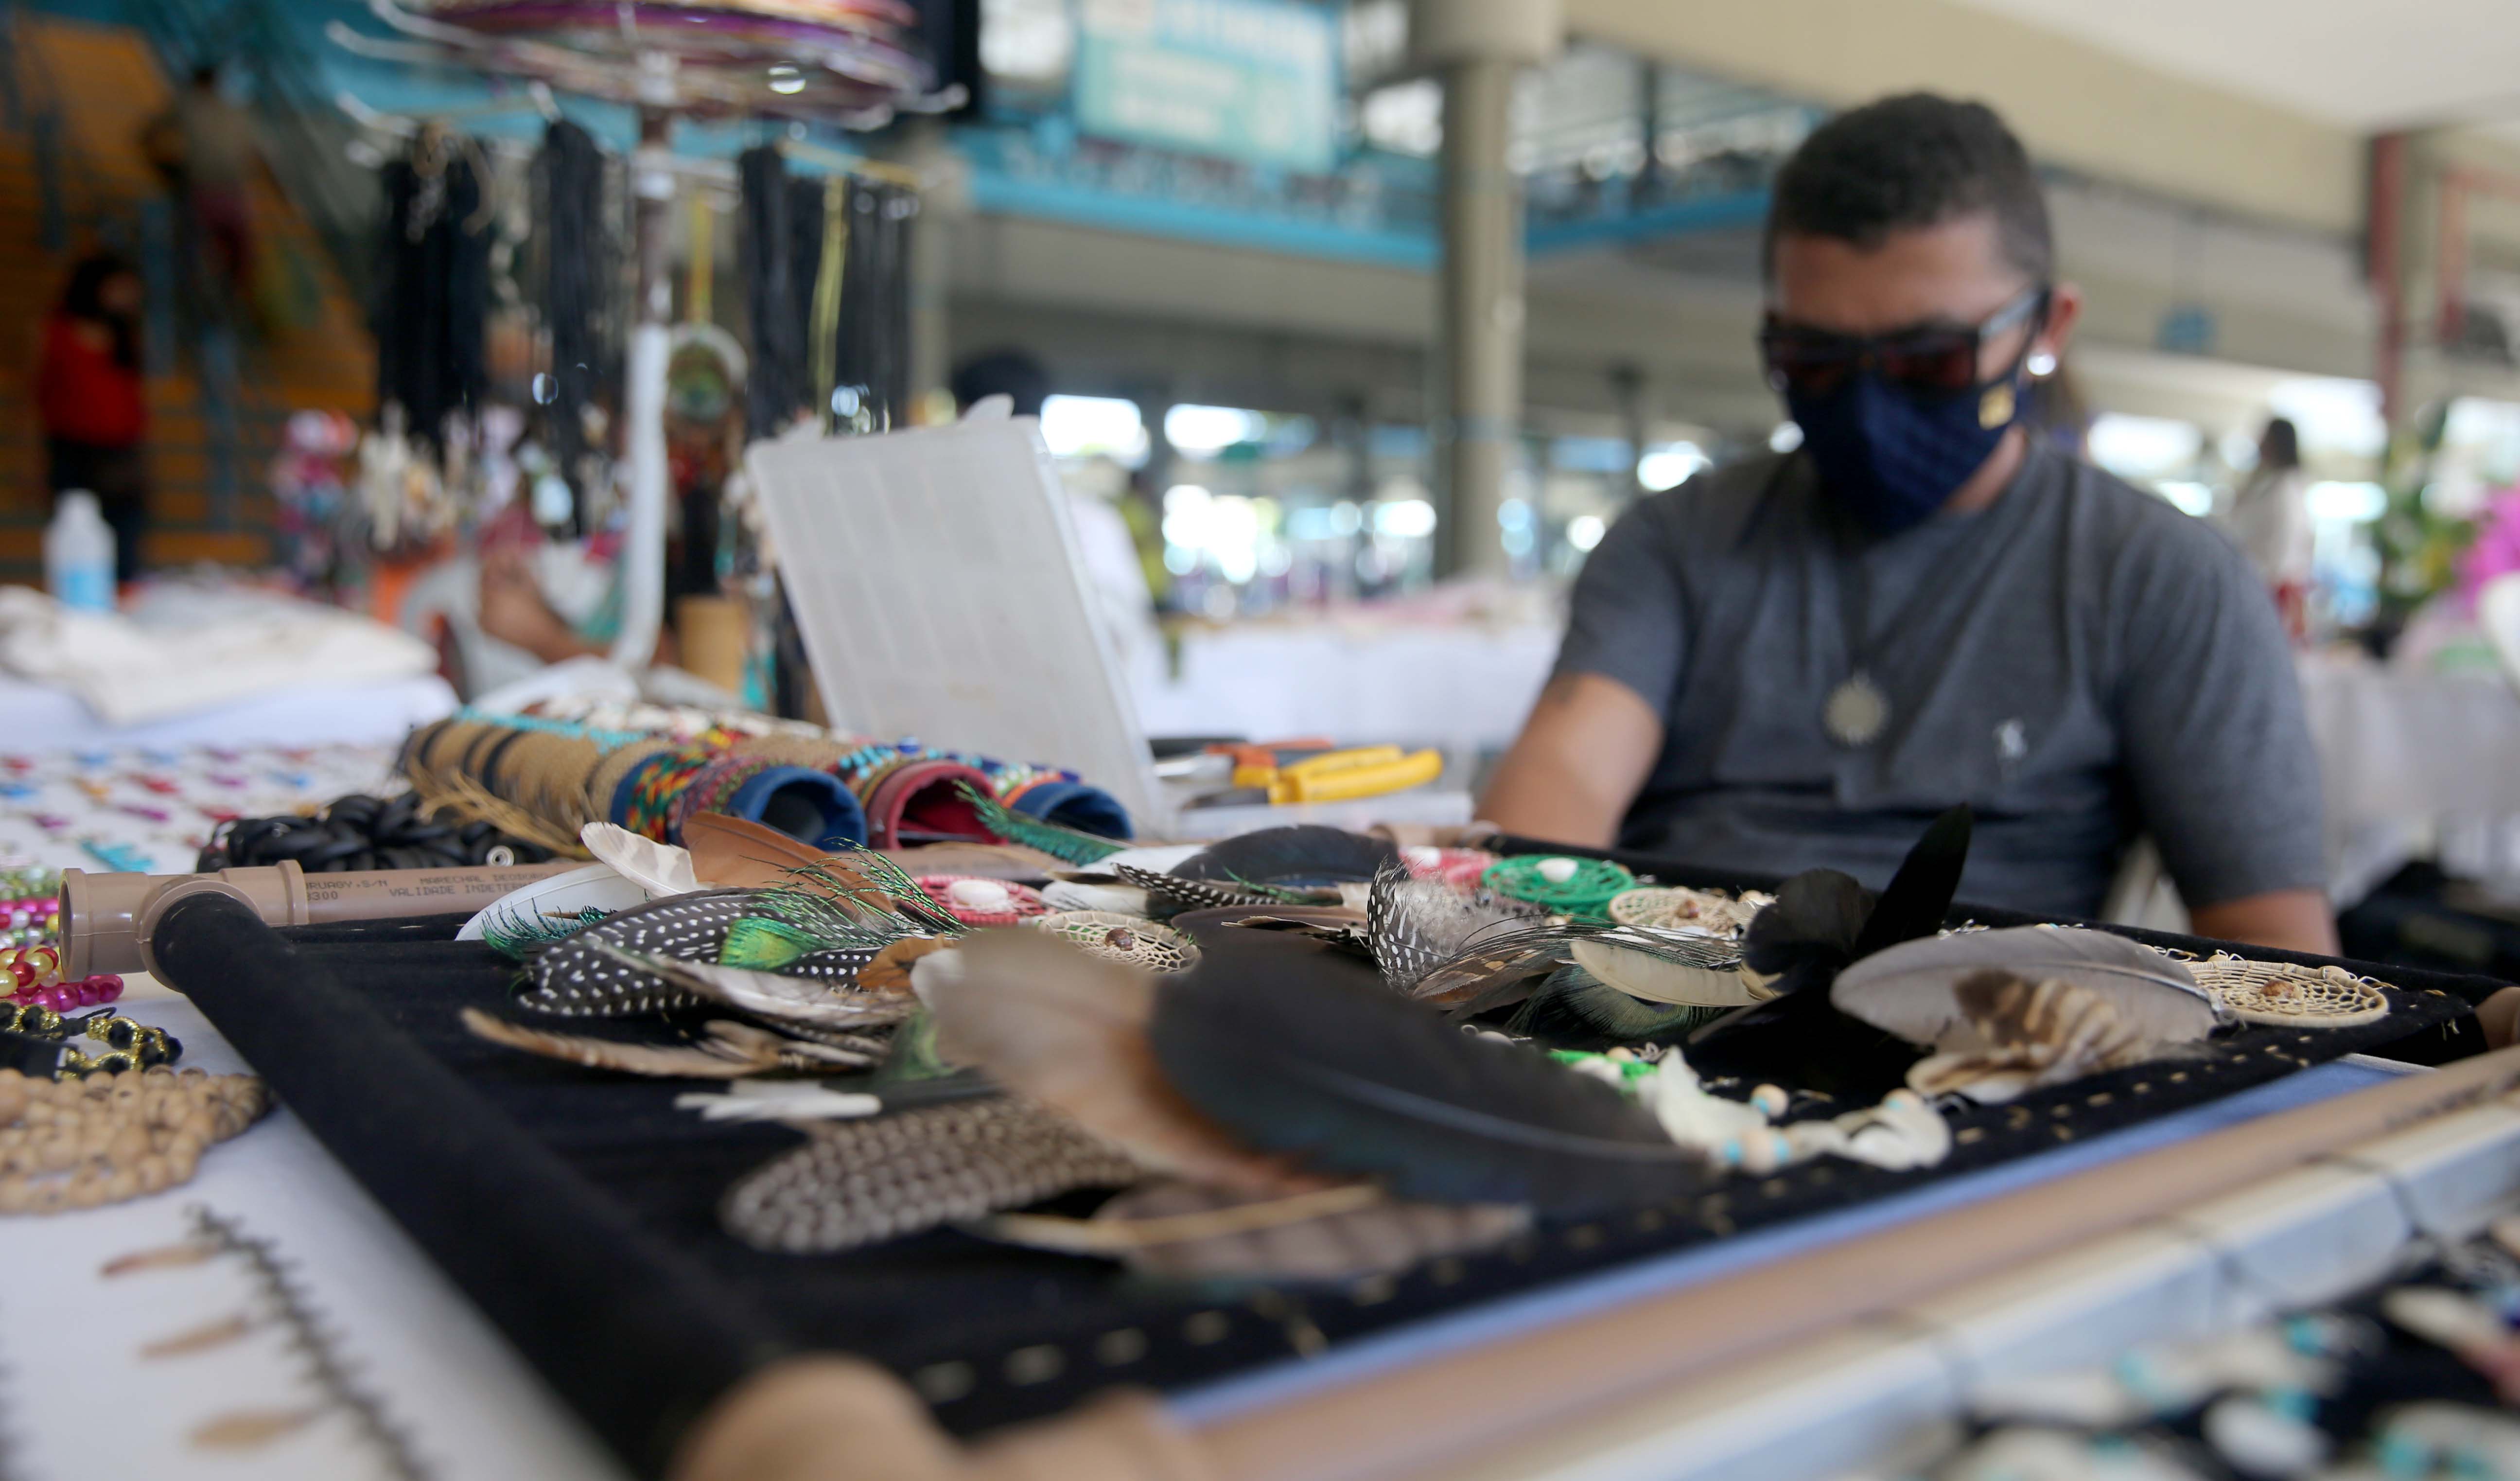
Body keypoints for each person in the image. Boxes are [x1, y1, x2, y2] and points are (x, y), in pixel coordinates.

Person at [1480, 93, 2337, 955]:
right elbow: (1546, 818)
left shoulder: (2160, 579)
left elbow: (2282, 958)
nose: (1867, 409)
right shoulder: (1675, 543)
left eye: (1926, 360)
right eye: (1813, 362)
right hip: (1664, 1002)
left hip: (1990, 1036)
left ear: (2047, 327)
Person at [36, 253, 150, 583]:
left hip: (120, 449)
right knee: (75, 530)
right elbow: (39, 391)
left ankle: (122, 593)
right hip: (71, 447)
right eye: (120, 288)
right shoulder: (57, 331)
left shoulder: (125, 336)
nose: (128, 297)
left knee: (123, 533)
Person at [141, 63, 259, 308]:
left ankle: (189, 298)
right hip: (234, 192)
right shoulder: (237, 112)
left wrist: (163, 170)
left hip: (202, 188)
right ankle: (232, 300)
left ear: (195, 84)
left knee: (190, 246)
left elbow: (147, 136)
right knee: (238, 251)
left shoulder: (187, 104)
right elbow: (250, 153)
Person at [2222, 416, 2313, 640]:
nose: (2261, 444)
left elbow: (2284, 544)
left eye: (2266, 439)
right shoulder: (2265, 484)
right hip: (2256, 581)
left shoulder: (2287, 488)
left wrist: (2266, 582)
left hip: (2271, 587)